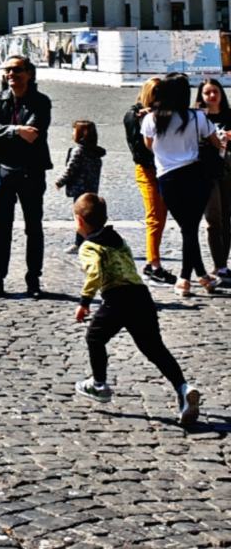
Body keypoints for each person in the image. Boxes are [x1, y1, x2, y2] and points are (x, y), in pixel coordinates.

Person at [72, 193, 201, 427]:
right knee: (154, 348)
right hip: (141, 297)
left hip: (116, 298)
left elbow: (94, 273)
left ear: (80, 221)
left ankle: (99, 384)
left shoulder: (89, 247)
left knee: (94, 338)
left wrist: (84, 302)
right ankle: (183, 388)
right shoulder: (118, 239)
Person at [0, 55, 52, 298]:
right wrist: (16, 130)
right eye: (7, 70)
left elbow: (35, 132)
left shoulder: (41, 101)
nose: (11, 74)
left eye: (16, 70)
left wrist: (4, 133)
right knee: (1, 228)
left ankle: (33, 281)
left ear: (29, 73)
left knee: (33, 228)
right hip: (2, 171)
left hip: (31, 171)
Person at [141, 72, 217, 296]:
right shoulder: (196, 118)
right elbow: (214, 141)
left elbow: (149, 146)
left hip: (168, 178)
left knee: (188, 228)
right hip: (195, 175)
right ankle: (190, 277)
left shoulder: (151, 119)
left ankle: (195, 277)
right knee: (190, 228)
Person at [123, 79, 174, 286]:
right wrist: (143, 123)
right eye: (155, 94)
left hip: (162, 168)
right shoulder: (133, 115)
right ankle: (154, 265)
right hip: (147, 169)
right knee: (154, 217)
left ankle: (153, 262)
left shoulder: (160, 114)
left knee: (160, 216)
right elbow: (138, 149)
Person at [194, 77, 231, 282]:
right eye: (207, 92)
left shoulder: (229, 115)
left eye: (215, 91)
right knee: (213, 218)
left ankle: (223, 265)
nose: (211, 96)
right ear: (201, 95)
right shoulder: (197, 117)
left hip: (227, 168)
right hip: (206, 171)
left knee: (227, 216)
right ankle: (218, 264)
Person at [55, 120, 105, 255]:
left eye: (74, 130)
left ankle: (79, 243)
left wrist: (59, 182)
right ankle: (92, 241)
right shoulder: (95, 152)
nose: (72, 133)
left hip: (79, 189)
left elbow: (70, 169)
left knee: (80, 218)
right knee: (91, 217)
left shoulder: (78, 151)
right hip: (92, 189)